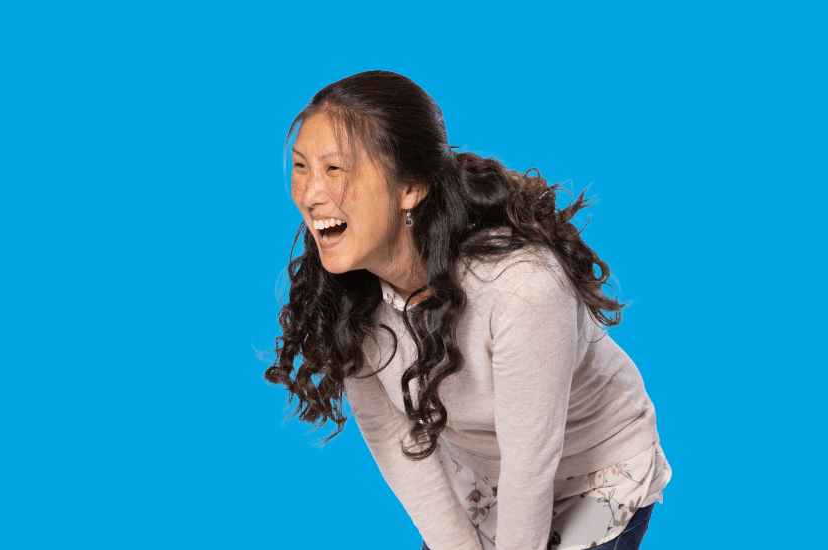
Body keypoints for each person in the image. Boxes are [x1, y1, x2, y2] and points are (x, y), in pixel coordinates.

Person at [263, 71, 672, 550]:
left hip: (593, 469)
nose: (310, 194)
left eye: (335, 170)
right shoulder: (345, 294)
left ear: (409, 188)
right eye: (301, 167)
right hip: (482, 471)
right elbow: (395, 440)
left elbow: (530, 466)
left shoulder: (522, 288)